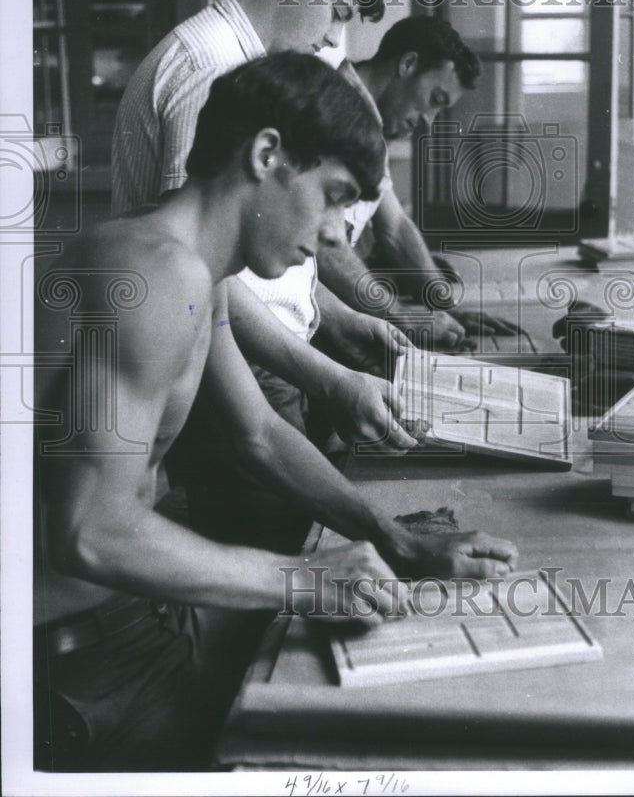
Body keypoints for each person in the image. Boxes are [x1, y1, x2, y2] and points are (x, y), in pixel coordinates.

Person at [35, 54, 518, 771]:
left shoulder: (191, 266)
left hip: (131, 621)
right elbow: (90, 531)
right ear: (267, 154)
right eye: (331, 195)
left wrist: (392, 537)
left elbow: (256, 434)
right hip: (78, 659)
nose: (332, 233)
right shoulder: (152, 273)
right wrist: (305, 578)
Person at [111, 0, 415, 455]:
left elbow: (247, 241)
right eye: (338, 13)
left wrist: (337, 317)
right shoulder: (211, 65)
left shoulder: (236, 60)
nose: (330, 40)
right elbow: (204, 270)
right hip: (241, 364)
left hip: (267, 353)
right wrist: (328, 374)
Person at [318, 16, 520, 351]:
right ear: (408, 63)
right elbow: (323, 245)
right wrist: (403, 315)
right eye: (435, 100)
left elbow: (394, 225)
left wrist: (445, 306)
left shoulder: (368, 118)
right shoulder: (333, 110)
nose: (428, 120)